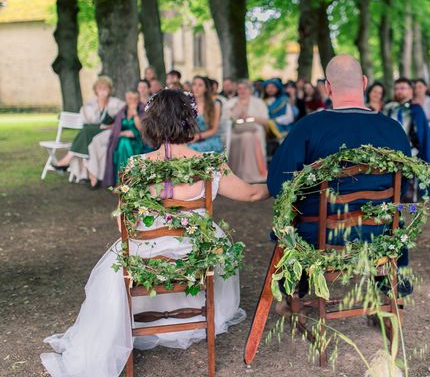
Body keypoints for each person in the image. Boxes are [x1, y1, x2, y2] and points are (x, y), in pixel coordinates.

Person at [41, 89, 269, 377]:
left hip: (148, 257)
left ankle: (141, 318)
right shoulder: (209, 163)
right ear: (190, 120)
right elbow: (250, 194)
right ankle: (193, 311)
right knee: (219, 248)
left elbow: (123, 224)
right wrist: (283, 185)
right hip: (196, 254)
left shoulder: (137, 166)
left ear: (152, 122)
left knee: (122, 260)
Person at [267, 55, 414, 298]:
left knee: (286, 219)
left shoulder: (308, 126)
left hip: (319, 234)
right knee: (401, 213)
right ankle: (392, 284)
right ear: (365, 82)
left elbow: (277, 185)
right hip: (379, 232)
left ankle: (297, 284)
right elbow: (406, 183)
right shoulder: (393, 129)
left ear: (327, 86)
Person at [383, 78, 430, 196]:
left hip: (411, 148)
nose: (399, 91)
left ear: (411, 91)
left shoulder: (416, 109)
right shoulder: (389, 108)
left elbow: (422, 135)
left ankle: (406, 189)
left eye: (402, 88)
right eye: (397, 88)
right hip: (388, 147)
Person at [52, 76, 124, 171]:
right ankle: (68, 160)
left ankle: (67, 159)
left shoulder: (116, 102)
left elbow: (124, 116)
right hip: (94, 130)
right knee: (86, 130)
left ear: (109, 90)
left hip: (109, 131)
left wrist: (109, 116)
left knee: (86, 130)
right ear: (96, 90)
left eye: (105, 88)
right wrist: (101, 106)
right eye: (100, 88)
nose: (102, 90)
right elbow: (89, 120)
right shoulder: (91, 103)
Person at [225, 80, 270, 182]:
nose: (242, 90)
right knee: (243, 136)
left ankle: (249, 173)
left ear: (250, 90)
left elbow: (266, 121)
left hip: (254, 131)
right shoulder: (231, 103)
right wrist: (234, 115)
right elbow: (225, 121)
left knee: (248, 136)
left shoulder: (258, 103)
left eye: (245, 88)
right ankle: (235, 172)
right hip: (235, 132)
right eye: (239, 88)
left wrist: (250, 117)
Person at [188, 76, 224, 153]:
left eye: (200, 85)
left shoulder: (215, 104)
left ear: (206, 89)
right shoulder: (187, 105)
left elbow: (214, 130)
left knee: (191, 149)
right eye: (194, 84)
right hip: (192, 140)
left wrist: (198, 136)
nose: (196, 88)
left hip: (210, 140)